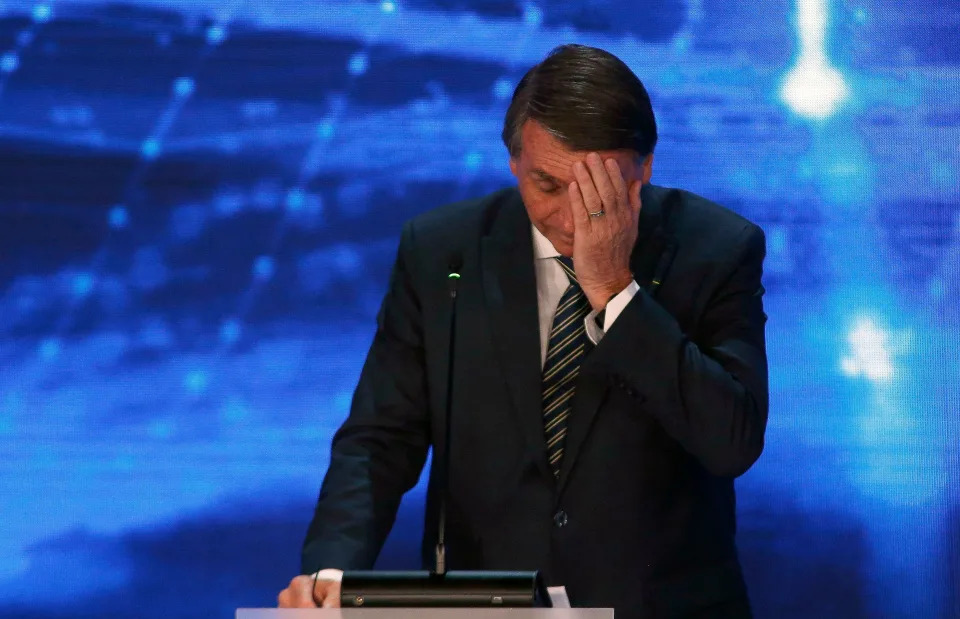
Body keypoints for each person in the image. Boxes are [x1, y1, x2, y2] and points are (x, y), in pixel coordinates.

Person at [278, 44, 768, 618]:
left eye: (596, 189)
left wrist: (614, 291)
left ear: (645, 170)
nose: (568, 218)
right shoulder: (442, 253)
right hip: (489, 605)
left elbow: (731, 441)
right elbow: (380, 438)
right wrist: (329, 574)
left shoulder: (718, 249)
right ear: (514, 162)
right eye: (548, 185)